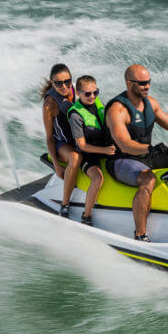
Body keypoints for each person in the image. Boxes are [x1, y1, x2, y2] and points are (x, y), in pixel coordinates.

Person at [105, 64, 168, 241]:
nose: (147, 86)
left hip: (147, 156)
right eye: (142, 83)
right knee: (148, 179)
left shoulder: (151, 103)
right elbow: (125, 144)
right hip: (122, 160)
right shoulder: (117, 110)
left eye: (148, 82)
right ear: (130, 84)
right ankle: (140, 234)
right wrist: (151, 149)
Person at [67, 75, 116, 225]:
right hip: (88, 154)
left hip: (105, 147)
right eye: (88, 94)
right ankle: (86, 216)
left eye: (95, 92)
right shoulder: (75, 115)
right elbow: (81, 145)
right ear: (79, 93)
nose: (92, 96)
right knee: (97, 178)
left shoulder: (98, 103)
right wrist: (105, 150)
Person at [40, 63, 81, 216]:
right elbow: (50, 138)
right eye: (58, 83)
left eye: (67, 82)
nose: (64, 86)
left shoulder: (78, 90)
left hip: (79, 138)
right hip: (62, 143)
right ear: (52, 83)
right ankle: (64, 205)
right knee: (75, 158)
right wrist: (57, 165)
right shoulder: (49, 105)